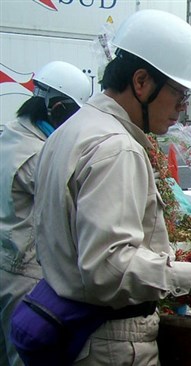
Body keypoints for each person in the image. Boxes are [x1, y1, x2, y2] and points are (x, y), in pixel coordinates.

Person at [10, 10, 191, 365]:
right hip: (108, 342)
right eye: (179, 96)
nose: (181, 110)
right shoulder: (116, 148)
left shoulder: (75, 128)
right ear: (142, 82)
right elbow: (108, 267)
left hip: (72, 326)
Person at [0, 61, 91, 366]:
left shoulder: (13, 133)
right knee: (24, 355)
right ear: (60, 108)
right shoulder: (35, 154)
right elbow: (72, 205)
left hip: (7, 257)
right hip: (21, 268)